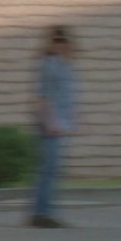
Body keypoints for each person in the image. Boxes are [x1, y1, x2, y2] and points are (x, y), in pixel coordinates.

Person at [31, 26, 77, 228]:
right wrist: (50, 123)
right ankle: (42, 214)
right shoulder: (49, 65)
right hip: (51, 125)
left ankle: (42, 212)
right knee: (48, 170)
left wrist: (73, 118)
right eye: (56, 40)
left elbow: (66, 96)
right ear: (50, 42)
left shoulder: (64, 65)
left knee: (51, 170)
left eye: (63, 40)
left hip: (61, 123)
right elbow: (43, 97)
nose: (60, 44)